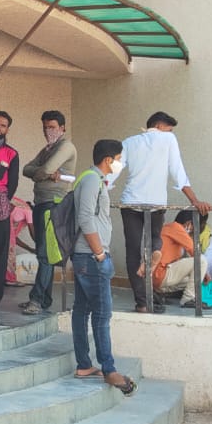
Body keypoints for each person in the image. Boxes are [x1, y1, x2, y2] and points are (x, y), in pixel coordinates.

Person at [119, 111, 212, 313]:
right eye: (169, 129)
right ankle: (152, 254)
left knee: (132, 251)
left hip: (130, 202)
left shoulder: (129, 142)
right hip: (156, 203)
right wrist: (194, 201)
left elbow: (114, 170)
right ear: (160, 126)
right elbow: (178, 172)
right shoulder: (168, 139)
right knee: (155, 239)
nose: (170, 133)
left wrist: (102, 186)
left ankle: (142, 303)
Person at [69, 139, 136, 396]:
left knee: (82, 310)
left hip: (88, 257)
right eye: (118, 159)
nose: (120, 163)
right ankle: (109, 369)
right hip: (91, 257)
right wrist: (99, 254)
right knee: (102, 314)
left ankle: (84, 365)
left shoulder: (94, 179)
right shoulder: (91, 180)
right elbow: (85, 218)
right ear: (108, 159)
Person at [20, 110, 76, 315]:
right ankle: (44, 299)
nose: (47, 131)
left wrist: (42, 173)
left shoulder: (66, 146)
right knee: (44, 253)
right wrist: (44, 173)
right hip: (41, 203)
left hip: (54, 204)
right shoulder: (47, 149)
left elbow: (44, 169)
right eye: (45, 127)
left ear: (62, 128)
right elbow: (26, 168)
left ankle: (36, 300)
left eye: (52, 127)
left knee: (45, 254)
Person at [147, 210, 205, 310]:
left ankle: (159, 293)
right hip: (159, 274)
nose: (192, 230)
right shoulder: (176, 227)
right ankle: (188, 299)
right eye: (193, 227)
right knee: (202, 260)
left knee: (192, 280)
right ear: (189, 223)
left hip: (155, 277)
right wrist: (206, 274)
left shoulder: (169, 228)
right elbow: (194, 251)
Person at [0, 111, 20, 308]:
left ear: (7, 129)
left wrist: (2, 201)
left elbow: (13, 184)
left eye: (3, 125)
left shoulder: (11, 153)